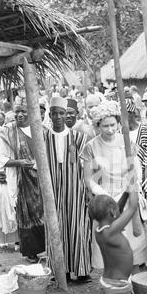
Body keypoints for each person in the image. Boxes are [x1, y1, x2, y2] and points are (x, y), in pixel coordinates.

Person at [81, 102, 147, 273]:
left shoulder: (127, 142)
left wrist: (130, 187)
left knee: (132, 249)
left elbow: (136, 168)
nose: (110, 129)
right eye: (105, 126)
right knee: (109, 249)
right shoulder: (91, 147)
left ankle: (134, 284)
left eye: (113, 125)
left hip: (127, 197)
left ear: (118, 123)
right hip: (105, 204)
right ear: (97, 126)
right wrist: (105, 197)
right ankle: (113, 282)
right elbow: (89, 179)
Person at [44, 96, 92, 282]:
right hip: (52, 188)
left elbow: (85, 165)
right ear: (49, 115)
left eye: (61, 113)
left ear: (67, 115)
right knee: (55, 225)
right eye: (54, 113)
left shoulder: (79, 137)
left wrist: (87, 191)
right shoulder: (44, 137)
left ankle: (81, 270)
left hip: (75, 187)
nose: (58, 117)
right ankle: (60, 270)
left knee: (77, 224)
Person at [0, 101, 45, 261]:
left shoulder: (41, 130)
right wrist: (19, 163)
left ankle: (47, 247)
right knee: (25, 214)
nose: (20, 115)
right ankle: (31, 251)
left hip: (42, 180)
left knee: (44, 213)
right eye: (17, 112)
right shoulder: (7, 132)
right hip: (21, 182)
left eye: (24, 111)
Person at [126, 99, 147, 270]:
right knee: (131, 223)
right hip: (127, 182)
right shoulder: (118, 132)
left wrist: (144, 186)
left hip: (145, 181)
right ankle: (136, 259)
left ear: (132, 114)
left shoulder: (145, 132)